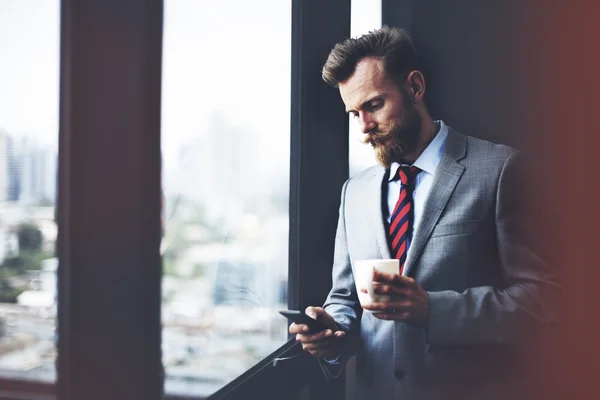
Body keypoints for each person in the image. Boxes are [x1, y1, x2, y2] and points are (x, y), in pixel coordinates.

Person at [289, 26, 561, 399]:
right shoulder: (355, 192)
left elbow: (543, 302)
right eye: (354, 113)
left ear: (415, 87)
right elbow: (346, 298)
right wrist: (331, 329)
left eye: (374, 105)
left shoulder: (501, 170)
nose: (364, 128)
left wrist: (434, 309)